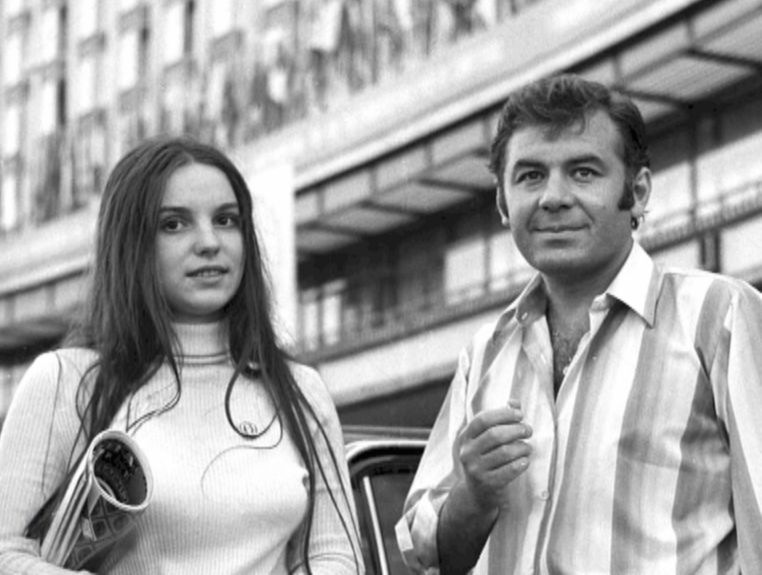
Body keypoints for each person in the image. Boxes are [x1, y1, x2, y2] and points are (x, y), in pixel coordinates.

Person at [395, 74, 762, 574]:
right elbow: (429, 560)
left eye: (583, 172)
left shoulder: (721, 318)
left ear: (637, 191)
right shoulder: (483, 355)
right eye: (530, 176)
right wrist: (473, 495)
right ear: (503, 203)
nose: (553, 196)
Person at [0, 136, 364, 574]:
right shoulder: (67, 381)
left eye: (226, 220)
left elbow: (335, 555)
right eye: (174, 224)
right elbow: (5, 553)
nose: (209, 242)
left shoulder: (301, 390)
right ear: (131, 243)